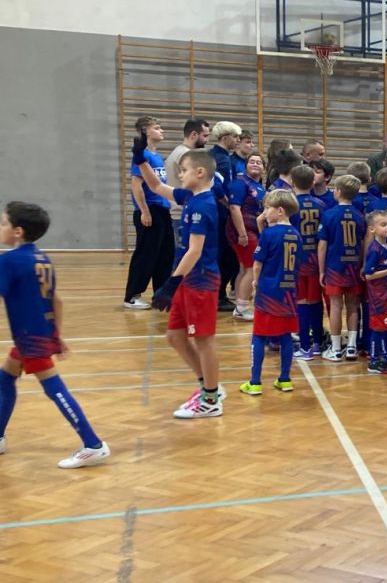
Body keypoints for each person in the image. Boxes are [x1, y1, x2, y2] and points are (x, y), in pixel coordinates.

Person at [0, 201, 110, 469]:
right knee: (5, 378)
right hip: (38, 333)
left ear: (18, 231)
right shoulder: (42, 258)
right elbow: (57, 300)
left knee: (55, 389)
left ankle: (93, 444)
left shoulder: (10, 261)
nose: (0, 227)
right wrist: (56, 335)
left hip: (30, 336)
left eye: (3, 223)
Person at [133, 149, 225, 418]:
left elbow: (195, 251)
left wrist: (171, 284)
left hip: (201, 280)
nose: (180, 175)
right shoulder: (190, 197)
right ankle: (208, 386)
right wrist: (141, 160)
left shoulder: (204, 206)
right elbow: (156, 186)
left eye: (183, 170)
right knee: (175, 336)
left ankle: (211, 400)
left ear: (200, 172)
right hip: (187, 278)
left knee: (204, 341)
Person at [239, 190, 300, 396]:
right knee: (285, 336)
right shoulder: (296, 234)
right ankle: (285, 379)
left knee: (259, 335)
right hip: (289, 292)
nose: (264, 212)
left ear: (280, 211)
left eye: (267, 208)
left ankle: (255, 382)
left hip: (269, 291)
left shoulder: (269, 234)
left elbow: (258, 264)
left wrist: (256, 282)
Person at [124, 116, 175, 310]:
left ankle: (160, 294)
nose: (162, 131)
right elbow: (136, 186)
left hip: (162, 210)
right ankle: (132, 296)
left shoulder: (157, 156)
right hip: (150, 210)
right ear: (146, 131)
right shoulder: (142, 156)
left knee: (165, 255)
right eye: (157, 127)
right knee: (146, 255)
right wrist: (144, 211)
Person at [318, 175, 366, 363]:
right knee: (353, 305)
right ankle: (352, 347)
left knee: (336, 306)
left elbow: (322, 246)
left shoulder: (329, 214)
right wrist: (362, 264)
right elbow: (363, 244)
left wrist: (321, 271)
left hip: (335, 266)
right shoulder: (360, 215)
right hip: (354, 265)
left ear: (338, 192)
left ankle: (336, 348)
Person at [290, 165, 325, 359]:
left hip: (297, 259)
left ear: (292, 182)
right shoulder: (321, 204)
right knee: (316, 301)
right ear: (313, 182)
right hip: (316, 258)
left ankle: (304, 345)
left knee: (301, 301)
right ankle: (318, 342)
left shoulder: (290, 205)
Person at [362, 211, 387, 376]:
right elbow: (368, 275)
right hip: (379, 298)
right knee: (378, 329)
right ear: (372, 229)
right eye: (383, 224)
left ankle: (386, 356)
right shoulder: (374, 249)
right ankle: (373, 360)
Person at [227, 151, 266, 321]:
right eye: (252, 161)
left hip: (253, 231)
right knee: (252, 268)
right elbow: (234, 208)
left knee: (244, 268)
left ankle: (239, 305)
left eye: (259, 162)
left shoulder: (259, 186)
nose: (255, 164)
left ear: (264, 168)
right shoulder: (240, 183)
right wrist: (242, 234)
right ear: (245, 165)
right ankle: (241, 309)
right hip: (243, 231)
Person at [208, 121, 242, 312]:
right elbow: (216, 185)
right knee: (226, 256)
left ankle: (218, 294)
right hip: (220, 214)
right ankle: (219, 295)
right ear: (225, 137)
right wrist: (228, 204)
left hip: (217, 213)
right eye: (235, 137)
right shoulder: (221, 159)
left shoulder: (216, 155)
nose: (237, 140)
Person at [164, 118, 209, 241]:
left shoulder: (178, 152)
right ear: (194, 135)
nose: (207, 140)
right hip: (184, 213)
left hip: (180, 212)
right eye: (205, 136)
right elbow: (198, 185)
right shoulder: (186, 156)